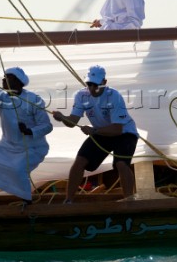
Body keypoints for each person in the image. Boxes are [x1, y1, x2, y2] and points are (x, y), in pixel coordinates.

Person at [52, 65, 139, 203]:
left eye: (95, 85)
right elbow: (73, 121)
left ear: (104, 82)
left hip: (124, 133)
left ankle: (129, 200)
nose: (92, 88)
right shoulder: (81, 95)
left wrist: (94, 131)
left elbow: (117, 129)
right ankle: (68, 201)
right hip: (101, 132)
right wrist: (63, 118)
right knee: (79, 161)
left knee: (121, 164)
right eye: (89, 84)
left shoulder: (114, 96)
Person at [0, 67, 53, 205]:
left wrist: (29, 131)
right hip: (7, 146)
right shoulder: (2, 97)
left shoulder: (33, 99)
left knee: (18, 169)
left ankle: (27, 201)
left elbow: (47, 126)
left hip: (32, 148)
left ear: (18, 82)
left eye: (8, 77)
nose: (3, 80)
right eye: (4, 77)